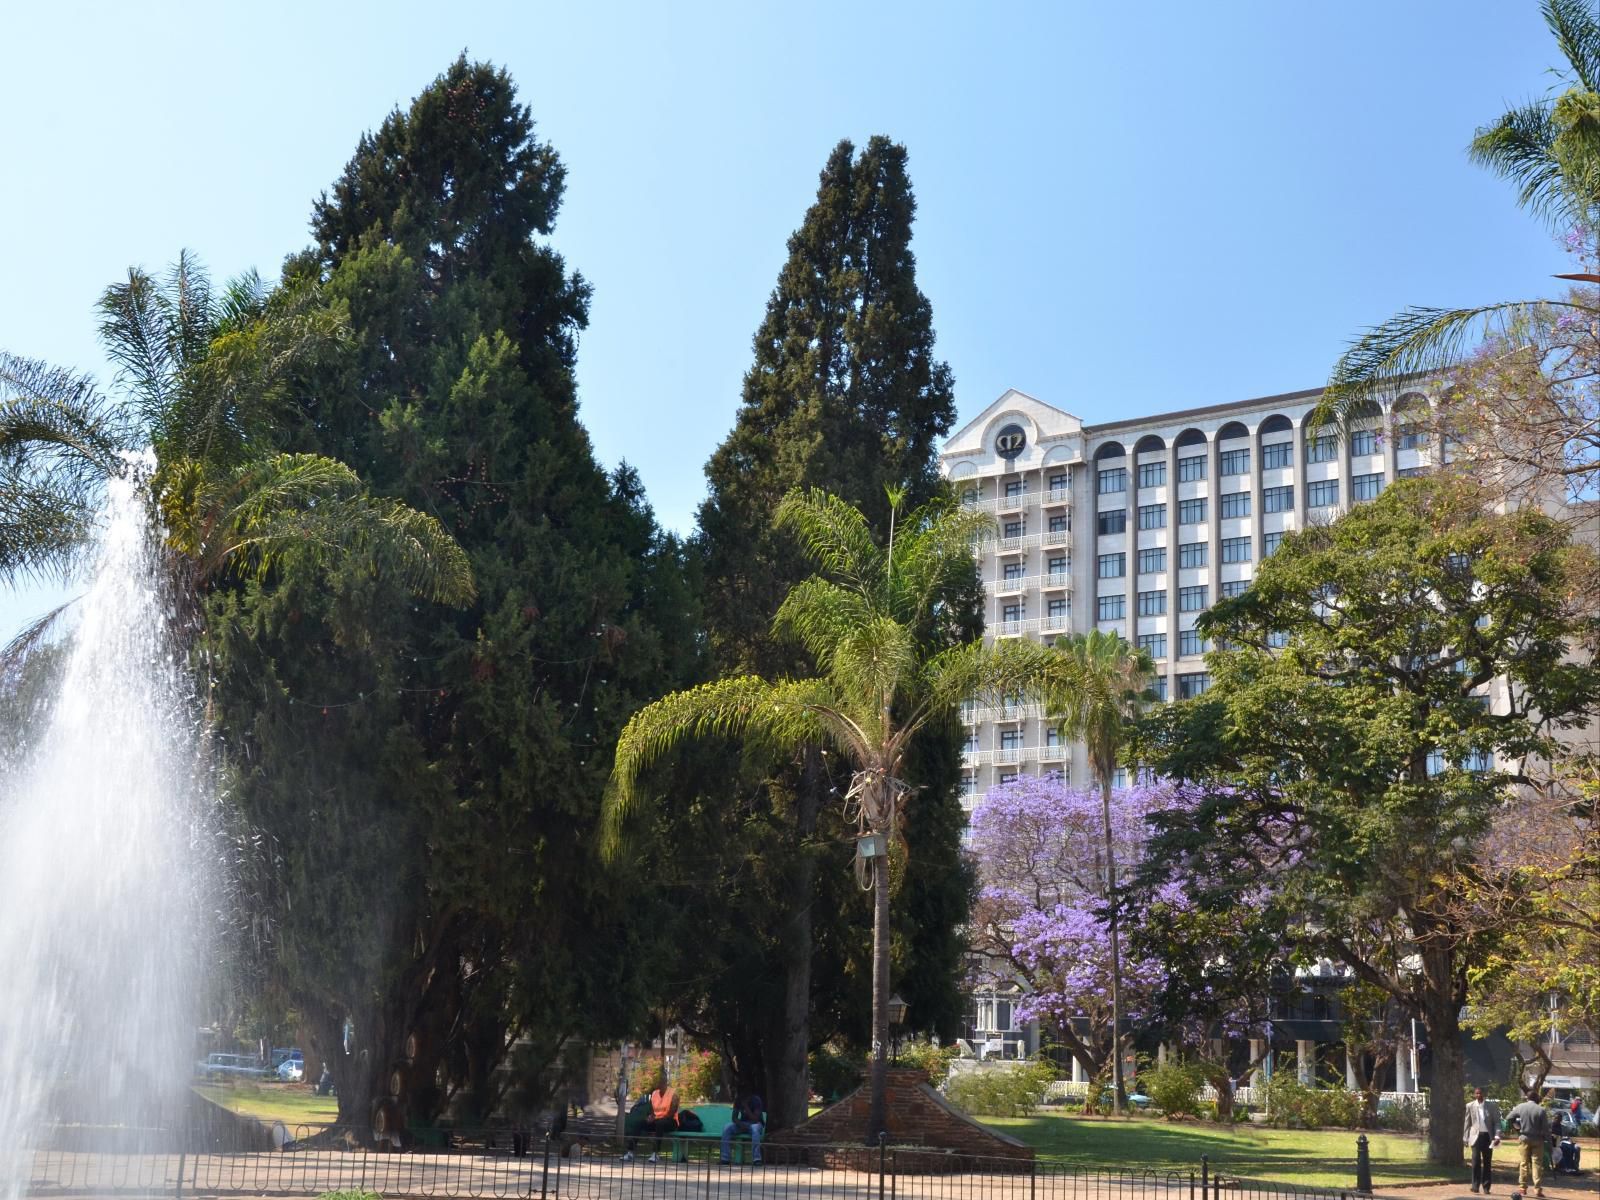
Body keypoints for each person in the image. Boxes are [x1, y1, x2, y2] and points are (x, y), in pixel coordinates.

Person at [622, 1071, 678, 1163]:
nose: (659, 1084)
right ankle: (630, 1152)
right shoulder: (655, 1093)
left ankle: (655, 1154)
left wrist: (657, 1118)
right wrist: (650, 1117)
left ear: (666, 1082)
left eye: (661, 1081)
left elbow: (672, 1112)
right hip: (656, 1121)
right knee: (639, 1123)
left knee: (660, 1124)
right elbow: (653, 1109)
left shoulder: (673, 1094)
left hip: (671, 1122)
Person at [1507, 1087, 1549, 1198]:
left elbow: (1508, 1117)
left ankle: (1522, 1188)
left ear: (1527, 1098)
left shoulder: (1520, 1107)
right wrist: (1549, 1141)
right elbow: (1545, 1128)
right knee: (1537, 1164)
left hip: (1524, 1137)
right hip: (1538, 1139)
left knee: (1524, 1163)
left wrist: (1517, 1128)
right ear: (1536, 1099)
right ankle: (1537, 1188)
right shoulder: (1541, 1110)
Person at [1463, 1086, 1501, 1194]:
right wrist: (1465, 1138)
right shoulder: (1470, 1106)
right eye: (1477, 1093)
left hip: (1488, 1138)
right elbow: (1467, 1123)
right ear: (1474, 1094)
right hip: (1475, 1137)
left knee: (1487, 1163)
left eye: (1480, 1093)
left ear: (1484, 1094)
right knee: (1475, 1162)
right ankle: (1475, 1186)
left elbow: (1497, 1122)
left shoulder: (1492, 1106)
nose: (1479, 1095)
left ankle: (1486, 1187)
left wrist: (1497, 1136)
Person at [720, 1091, 764, 1166]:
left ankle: (757, 1159)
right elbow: (734, 1118)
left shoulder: (756, 1100)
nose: (742, 1096)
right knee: (727, 1127)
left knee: (755, 1129)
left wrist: (746, 1106)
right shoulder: (738, 1100)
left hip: (755, 1124)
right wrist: (740, 1124)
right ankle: (725, 1158)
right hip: (743, 1124)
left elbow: (755, 1119)